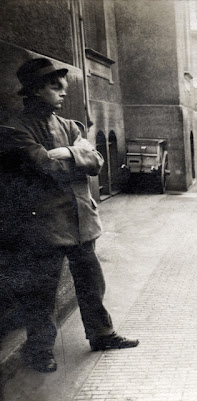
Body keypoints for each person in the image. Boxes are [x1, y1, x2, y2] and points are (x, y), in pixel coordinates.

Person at [0, 58, 138, 373]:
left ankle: (102, 335)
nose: (63, 93)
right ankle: (39, 351)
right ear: (35, 90)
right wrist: (78, 155)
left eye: (63, 86)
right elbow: (44, 166)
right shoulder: (14, 129)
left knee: (92, 284)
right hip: (44, 226)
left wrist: (71, 152)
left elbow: (98, 162)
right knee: (42, 292)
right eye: (54, 87)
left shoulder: (71, 126)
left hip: (81, 223)